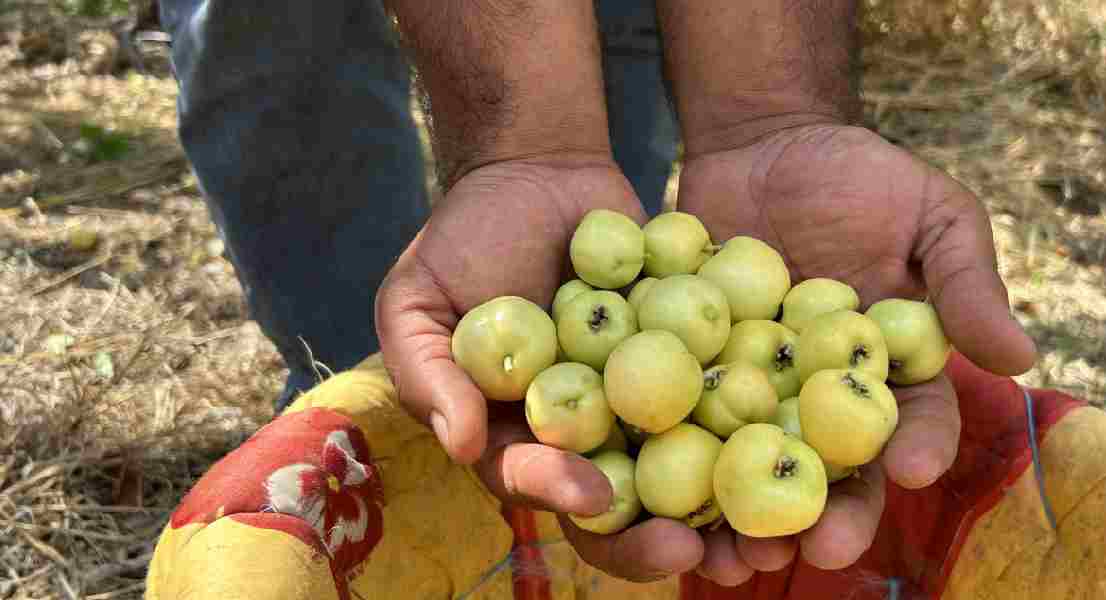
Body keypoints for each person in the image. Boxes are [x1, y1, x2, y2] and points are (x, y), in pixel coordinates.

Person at [156, 0, 1038, 589]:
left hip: (630, 352)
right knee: (279, 34)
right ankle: (351, 405)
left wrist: (770, 111)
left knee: (615, 48)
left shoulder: (735, 364)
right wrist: (521, 137)